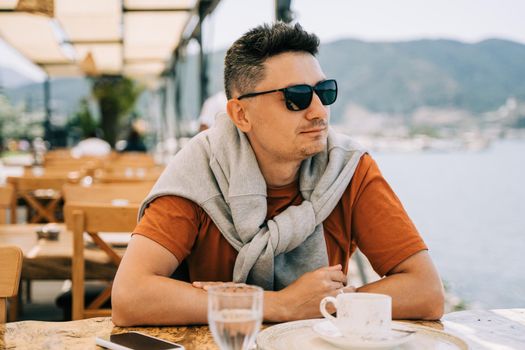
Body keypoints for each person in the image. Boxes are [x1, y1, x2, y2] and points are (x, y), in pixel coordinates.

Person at [112, 22, 444, 326]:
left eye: (324, 92)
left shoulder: (347, 169)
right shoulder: (200, 171)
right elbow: (130, 297)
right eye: (296, 98)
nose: (318, 111)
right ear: (241, 114)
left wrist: (327, 302)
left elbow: (426, 291)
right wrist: (278, 305)